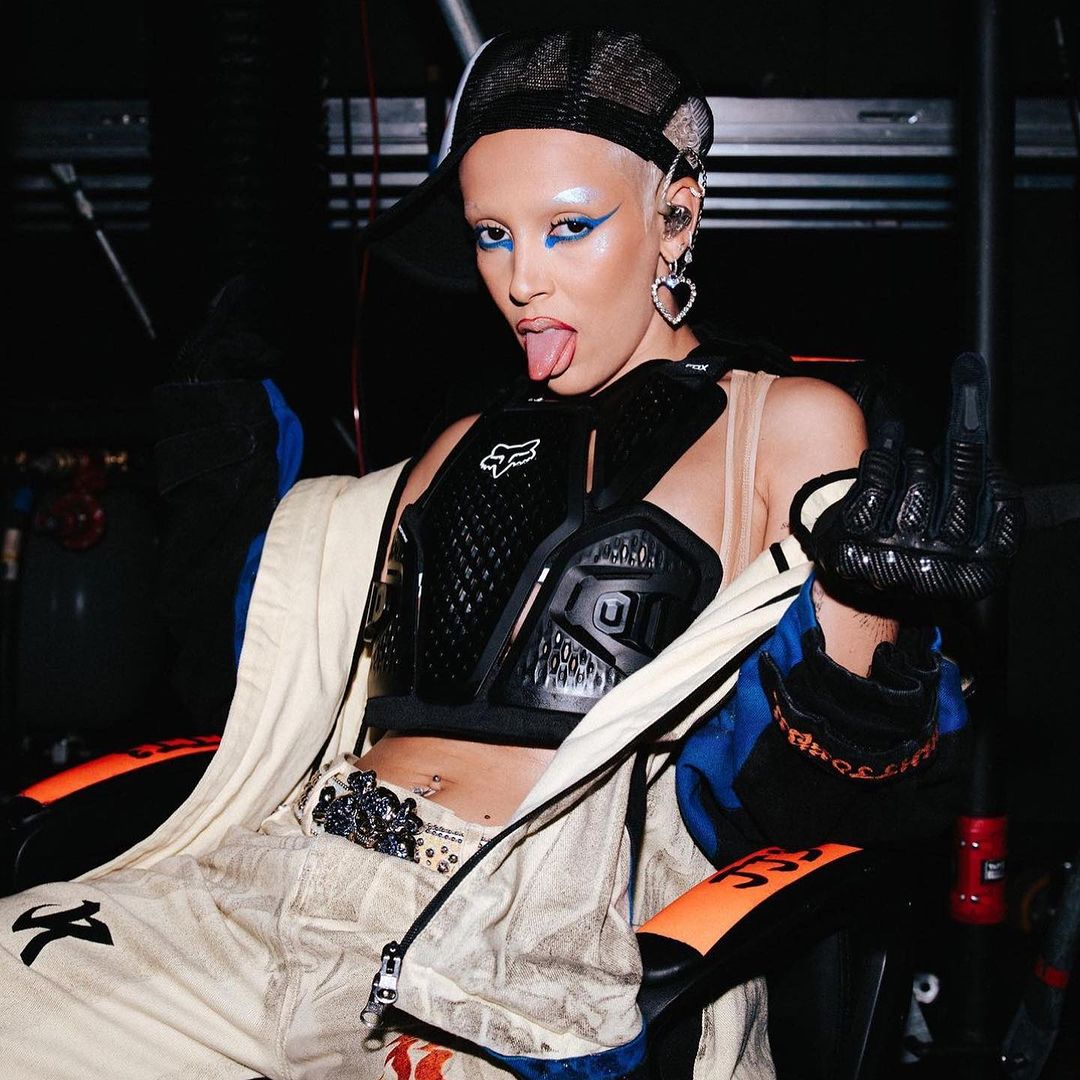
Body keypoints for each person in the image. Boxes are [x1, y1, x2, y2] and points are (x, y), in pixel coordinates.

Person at [0, 26, 1016, 1080]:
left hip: (531, 934)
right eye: (492, 235)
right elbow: (270, 692)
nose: (523, 280)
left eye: (569, 227)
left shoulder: (786, 424)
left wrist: (868, 617)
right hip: (284, 873)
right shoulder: (459, 444)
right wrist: (220, 481)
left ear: (677, 216)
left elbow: (821, 809)